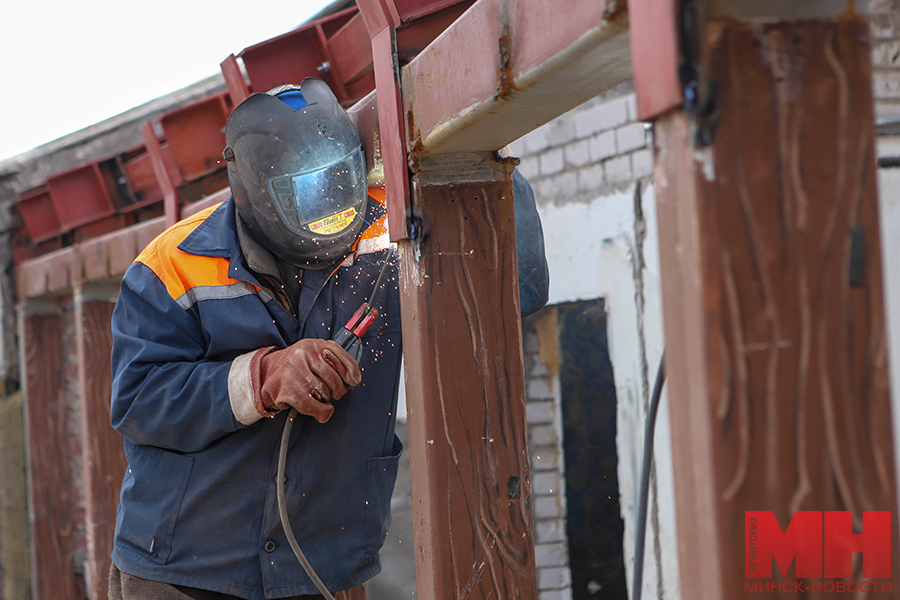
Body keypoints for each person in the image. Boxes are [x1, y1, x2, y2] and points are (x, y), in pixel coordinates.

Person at [108, 78, 549, 600]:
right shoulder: (172, 265)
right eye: (306, 193)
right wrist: (263, 379)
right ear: (251, 192)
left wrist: (475, 145)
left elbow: (516, 290)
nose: (331, 211)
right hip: (185, 568)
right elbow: (139, 401)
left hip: (322, 564)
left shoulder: (389, 230)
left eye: (340, 183)